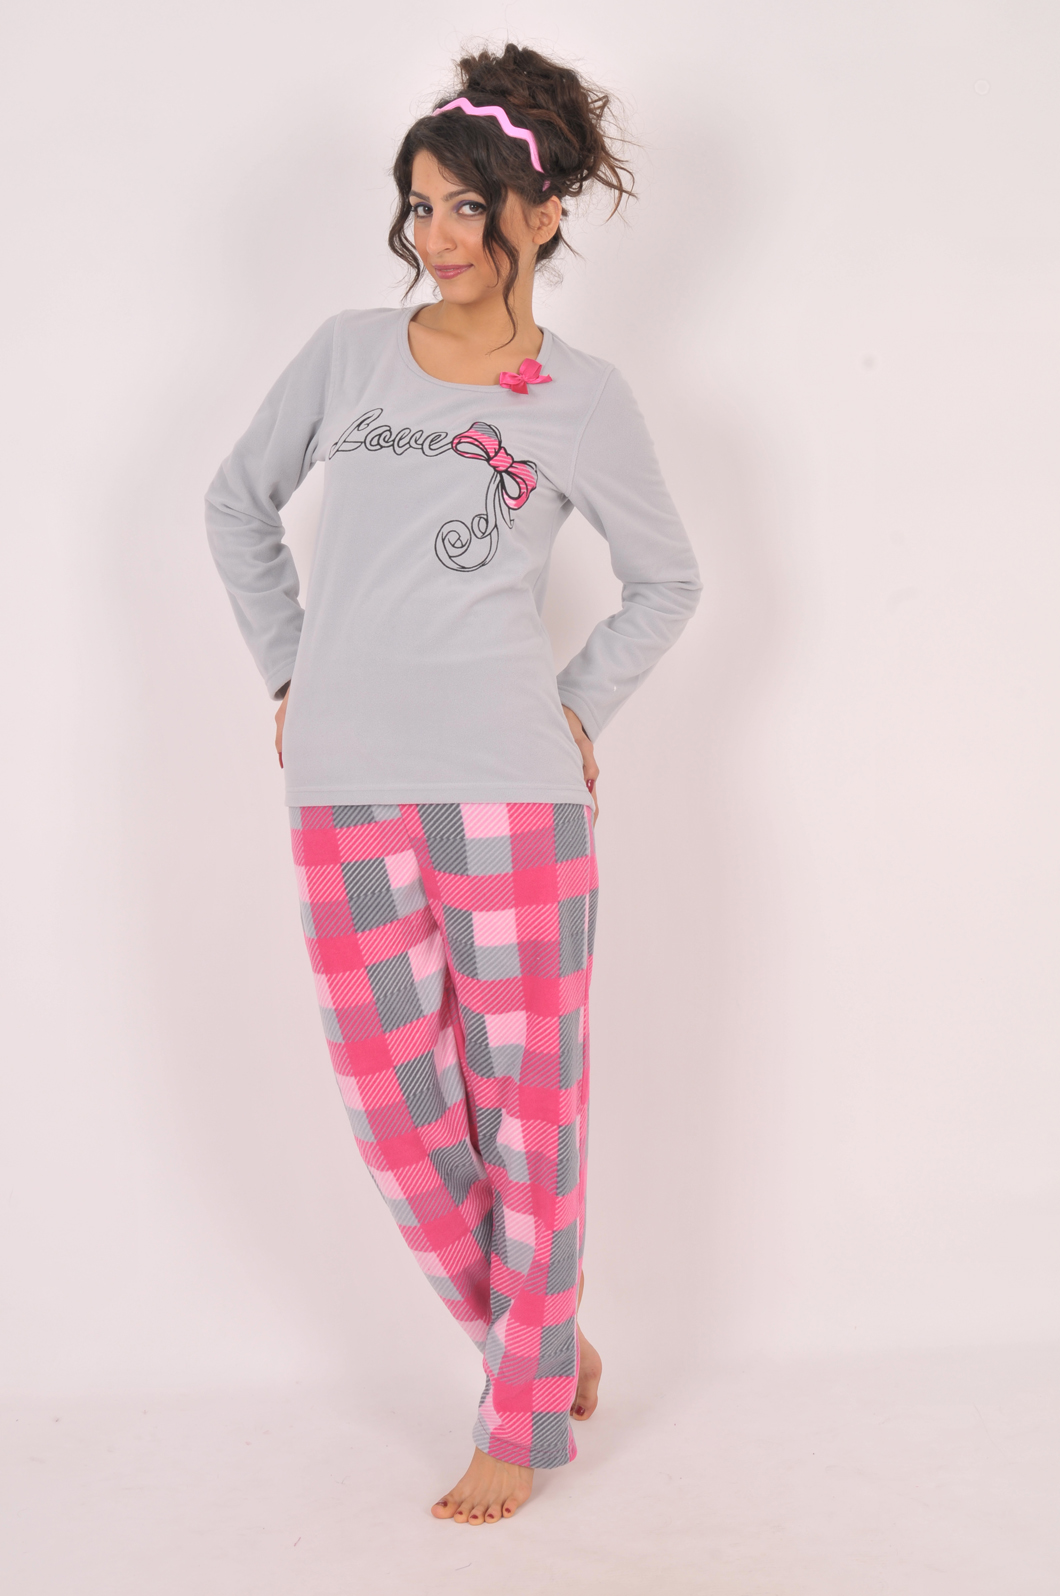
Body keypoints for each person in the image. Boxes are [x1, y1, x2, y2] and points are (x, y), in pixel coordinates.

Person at [205, 42, 702, 1526]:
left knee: (526, 1114)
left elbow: (667, 582)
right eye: (421, 206)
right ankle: (536, 1338)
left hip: (512, 794)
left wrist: (576, 708)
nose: (440, 237)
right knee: (400, 1115)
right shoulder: (348, 353)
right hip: (344, 787)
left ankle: (521, 1411)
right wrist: (291, 671)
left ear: (539, 216)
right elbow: (235, 505)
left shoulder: (583, 398)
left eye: (471, 207)